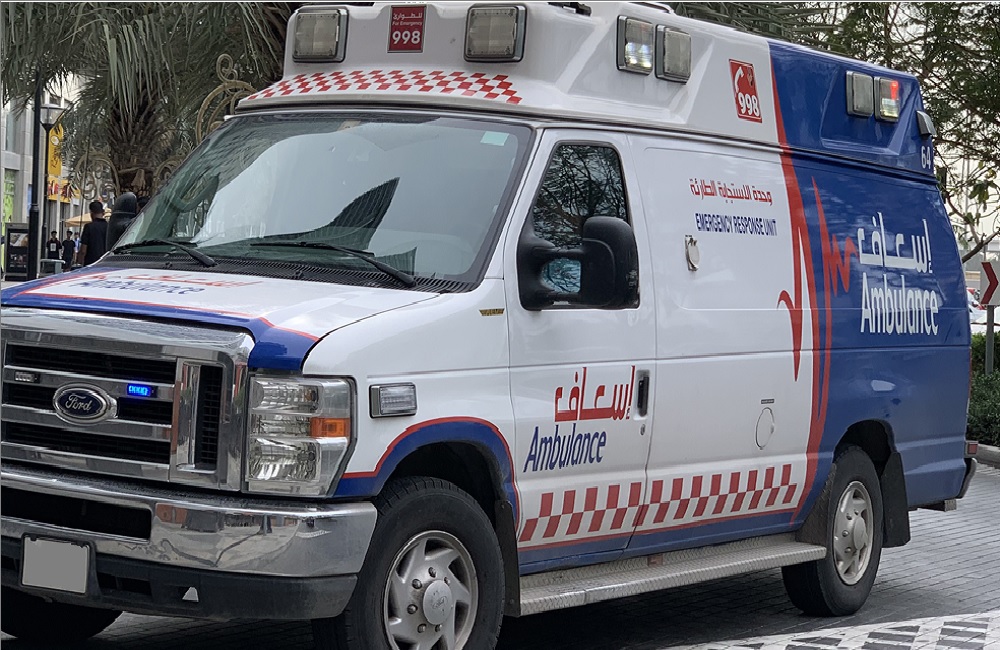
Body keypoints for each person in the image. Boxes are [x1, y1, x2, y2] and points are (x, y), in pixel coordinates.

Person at [77, 200, 109, 266]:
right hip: (105, 263)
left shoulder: (88, 227)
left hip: (91, 263)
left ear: (91, 213)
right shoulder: (109, 226)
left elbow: (83, 250)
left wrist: (79, 262)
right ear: (103, 213)